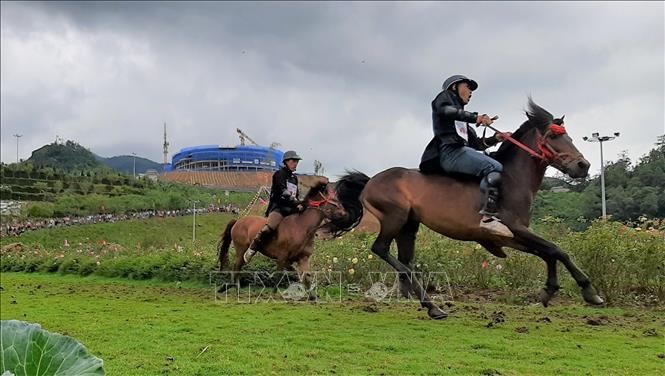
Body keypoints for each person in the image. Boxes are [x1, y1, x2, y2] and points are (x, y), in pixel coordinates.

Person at [419, 75, 513, 237]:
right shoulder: (445, 97)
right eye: (467, 87)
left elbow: (476, 145)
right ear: (454, 87)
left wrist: (497, 138)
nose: (470, 92)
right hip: (450, 152)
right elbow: (445, 110)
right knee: (494, 167)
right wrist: (475, 117)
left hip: (460, 152)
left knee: (491, 163)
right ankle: (487, 218)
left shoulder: (463, 123)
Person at [243, 150, 304, 263]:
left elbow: (296, 195)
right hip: (279, 208)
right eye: (293, 161)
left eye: (297, 161)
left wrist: (302, 204)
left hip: (291, 210)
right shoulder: (279, 174)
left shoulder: (294, 178)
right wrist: (296, 202)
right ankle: (253, 247)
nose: (296, 163)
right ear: (286, 162)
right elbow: (283, 192)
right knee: (270, 227)